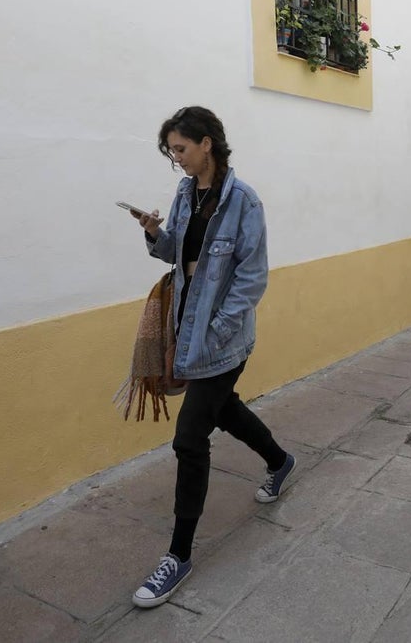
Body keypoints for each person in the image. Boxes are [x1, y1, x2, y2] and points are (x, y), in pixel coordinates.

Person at [127, 106, 295, 609]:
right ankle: (280, 461)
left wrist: (220, 329)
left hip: (225, 339)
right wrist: (155, 232)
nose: (176, 159)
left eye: (180, 149)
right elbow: (174, 254)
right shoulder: (185, 194)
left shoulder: (244, 201)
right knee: (223, 411)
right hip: (188, 328)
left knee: (189, 436)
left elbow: (252, 277)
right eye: (171, 151)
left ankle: (178, 555)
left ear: (207, 144)